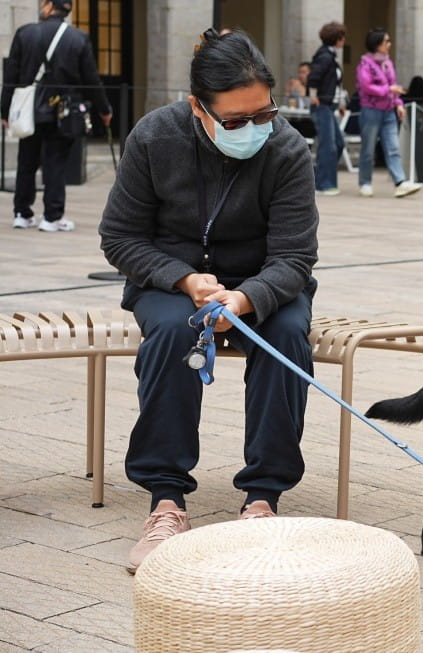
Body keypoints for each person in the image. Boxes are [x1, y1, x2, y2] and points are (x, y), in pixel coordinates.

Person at [98, 29, 319, 572]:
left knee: (288, 333)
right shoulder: (154, 137)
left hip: (265, 279)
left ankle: (264, 498)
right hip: (172, 281)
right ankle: (166, 500)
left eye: (263, 114)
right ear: (198, 108)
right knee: (174, 331)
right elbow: (120, 237)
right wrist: (184, 280)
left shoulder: (287, 147)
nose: (254, 130)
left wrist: (246, 299)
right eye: (237, 121)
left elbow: (295, 256)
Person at [1, 0, 112, 232]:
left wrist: (5, 110)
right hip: (64, 109)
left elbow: (10, 75)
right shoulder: (78, 38)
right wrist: (104, 109)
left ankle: (22, 213)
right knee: (56, 162)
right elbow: (91, 79)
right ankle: (51, 217)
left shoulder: (25, 33)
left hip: (30, 107)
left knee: (26, 160)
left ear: (50, 6)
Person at [356, 28, 422, 199]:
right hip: (370, 110)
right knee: (368, 149)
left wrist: (399, 104)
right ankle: (365, 183)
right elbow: (366, 86)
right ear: (377, 44)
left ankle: (400, 182)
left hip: (388, 111)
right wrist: (388, 89)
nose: (389, 44)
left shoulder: (388, 63)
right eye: (386, 41)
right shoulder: (365, 64)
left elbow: (395, 85)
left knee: (393, 147)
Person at [307, 21, 347, 195]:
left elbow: (334, 84)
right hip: (321, 105)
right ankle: (324, 184)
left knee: (338, 143)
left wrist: (341, 103)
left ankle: (318, 178)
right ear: (337, 38)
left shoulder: (330, 55)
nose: (344, 40)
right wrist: (313, 96)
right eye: (342, 37)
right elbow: (313, 77)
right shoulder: (325, 56)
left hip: (329, 106)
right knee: (328, 146)